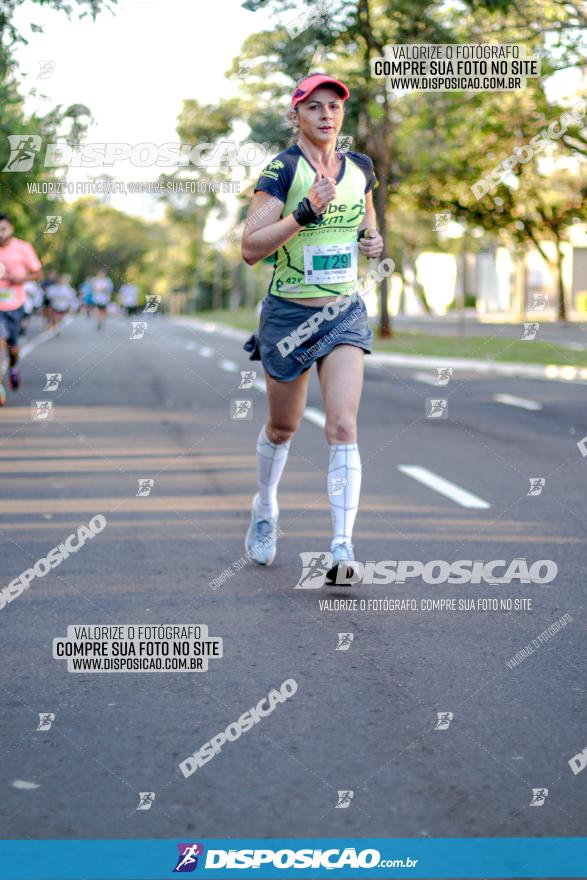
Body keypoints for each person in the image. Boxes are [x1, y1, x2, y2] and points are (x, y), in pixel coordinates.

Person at [241, 73, 383, 583]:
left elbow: (367, 223)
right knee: (284, 427)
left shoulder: (360, 168)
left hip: (342, 311)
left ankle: (342, 549)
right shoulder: (281, 170)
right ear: (296, 116)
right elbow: (251, 247)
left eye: (335, 108)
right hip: (290, 315)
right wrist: (303, 213)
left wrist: (373, 242)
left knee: (343, 425)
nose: (327, 115)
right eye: (315, 107)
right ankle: (265, 507)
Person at [0, 214, 43, 405]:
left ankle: (13, 369)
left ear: (11, 229)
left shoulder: (23, 248)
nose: (0, 234)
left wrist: (21, 279)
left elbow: (38, 272)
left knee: (12, 346)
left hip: (15, 305)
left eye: (3, 229)